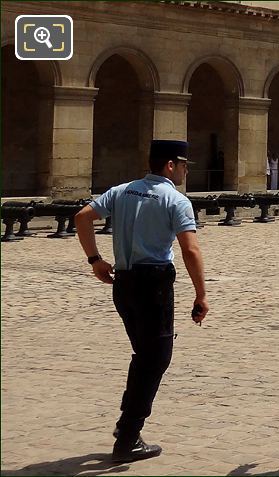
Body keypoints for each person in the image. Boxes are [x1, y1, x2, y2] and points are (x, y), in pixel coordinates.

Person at [75, 139, 209, 463]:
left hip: (123, 283)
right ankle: (128, 436)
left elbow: (82, 217)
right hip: (154, 285)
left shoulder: (122, 191)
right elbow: (190, 250)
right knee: (156, 358)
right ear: (170, 166)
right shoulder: (175, 200)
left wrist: (95, 259)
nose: (186, 170)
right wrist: (201, 294)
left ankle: (127, 426)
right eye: (184, 164)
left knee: (145, 355)